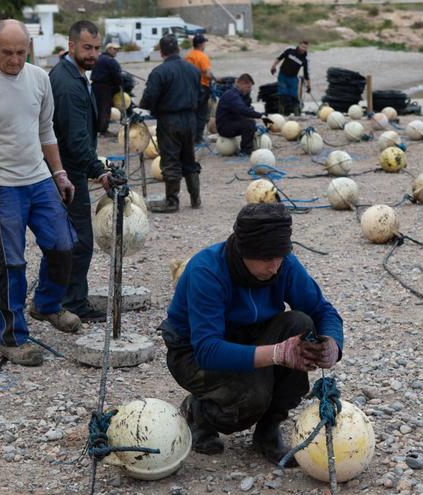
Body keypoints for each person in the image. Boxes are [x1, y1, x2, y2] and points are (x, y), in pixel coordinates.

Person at [160, 203, 343, 463]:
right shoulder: (207, 271)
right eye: (268, 259)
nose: (276, 267)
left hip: (250, 338)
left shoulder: (283, 264)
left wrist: (332, 344)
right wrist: (278, 353)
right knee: (251, 398)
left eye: (280, 256)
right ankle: (198, 412)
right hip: (193, 354)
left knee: (301, 323)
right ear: (245, 252)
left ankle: (269, 429)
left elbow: (322, 310)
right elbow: (208, 350)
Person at [0, 19, 81, 367]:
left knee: (64, 245)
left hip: (38, 179)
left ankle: (46, 305)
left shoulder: (38, 79)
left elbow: (45, 129)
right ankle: (12, 337)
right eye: (7, 53)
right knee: (10, 263)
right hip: (1, 187)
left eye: (21, 52)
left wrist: (60, 173)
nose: (15, 60)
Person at [49, 21, 117, 323]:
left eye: (97, 48)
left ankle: (62, 296)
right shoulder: (66, 83)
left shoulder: (75, 75)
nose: (93, 54)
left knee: (68, 238)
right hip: (66, 171)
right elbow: (76, 140)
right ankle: (72, 302)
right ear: (72, 45)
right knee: (80, 240)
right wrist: (99, 171)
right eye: (87, 47)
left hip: (69, 167)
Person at [140, 34, 201, 213]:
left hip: (169, 120)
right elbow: (200, 93)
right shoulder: (193, 70)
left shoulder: (159, 72)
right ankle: (195, 198)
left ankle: (172, 202)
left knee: (171, 159)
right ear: (178, 50)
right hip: (191, 119)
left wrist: (143, 107)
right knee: (189, 157)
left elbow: (149, 97)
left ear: (162, 52)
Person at [215, 73, 266, 156]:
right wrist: (261, 116)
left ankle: (247, 147)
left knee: (250, 122)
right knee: (249, 124)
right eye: (248, 87)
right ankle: (245, 151)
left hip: (229, 122)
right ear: (242, 84)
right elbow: (242, 110)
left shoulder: (237, 94)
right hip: (224, 127)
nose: (249, 90)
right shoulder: (231, 95)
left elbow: (245, 109)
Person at [184, 34, 215, 145]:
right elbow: (207, 73)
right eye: (204, 43)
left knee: (192, 112)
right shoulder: (202, 56)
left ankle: (190, 137)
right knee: (201, 113)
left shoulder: (188, 56)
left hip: (190, 88)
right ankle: (198, 138)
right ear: (201, 44)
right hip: (202, 87)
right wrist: (217, 79)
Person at [90, 41, 123, 137]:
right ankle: (103, 131)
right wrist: (120, 84)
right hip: (104, 87)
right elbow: (117, 75)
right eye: (115, 49)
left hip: (95, 86)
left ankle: (97, 129)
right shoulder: (110, 60)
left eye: (117, 50)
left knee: (97, 108)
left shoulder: (99, 58)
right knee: (105, 109)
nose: (116, 51)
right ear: (109, 49)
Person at [270, 41, 311, 116]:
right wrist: (273, 66)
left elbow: (306, 74)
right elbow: (279, 58)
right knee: (282, 94)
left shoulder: (305, 60)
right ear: (298, 45)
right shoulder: (290, 51)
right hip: (282, 75)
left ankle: (297, 113)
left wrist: (308, 85)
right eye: (302, 46)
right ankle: (282, 113)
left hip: (293, 78)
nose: (303, 49)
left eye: (305, 47)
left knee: (294, 96)